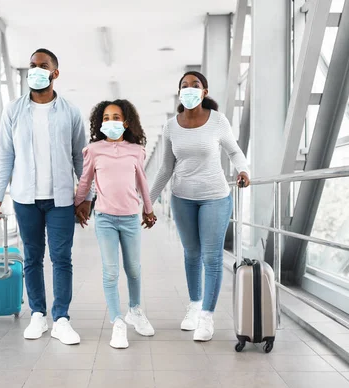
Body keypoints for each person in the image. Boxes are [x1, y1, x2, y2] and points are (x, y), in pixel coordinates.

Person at [0, 48, 93, 345]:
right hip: (24, 198)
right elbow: (4, 156)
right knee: (32, 258)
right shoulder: (13, 110)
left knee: (61, 258)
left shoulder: (70, 112)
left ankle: (61, 319)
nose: (35, 69)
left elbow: (80, 158)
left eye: (42, 65)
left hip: (60, 199)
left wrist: (86, 197)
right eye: (32, 65)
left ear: (54, 73)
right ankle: (37, 314)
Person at [149, 71, 250, 342]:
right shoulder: (172, 126)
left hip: (215, 196)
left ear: (204, 92)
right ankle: (193, 306)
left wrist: (242, 169)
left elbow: (234, 150)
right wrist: (147, 201)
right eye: (185, 86)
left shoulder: (217, 121)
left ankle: (207, 316)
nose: (190, 89)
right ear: (179, 92)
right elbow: (166, 168)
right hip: (182, 198)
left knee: (212, 257)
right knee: (191, 254)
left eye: (195, 86)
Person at [74, 100, 156, 349]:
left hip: (131, 218)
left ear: (126, 122)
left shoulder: (136, 150)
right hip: (105, 218)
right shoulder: (94, 150)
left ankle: (135, 311)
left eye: (116, 117)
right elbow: (85, 180)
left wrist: (149, 209)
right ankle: (117, 322)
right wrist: (79, 204)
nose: (111, 122)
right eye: (106, 118)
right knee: (110, 271)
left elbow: (142, 181)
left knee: (133, 269)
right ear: (101, 123)